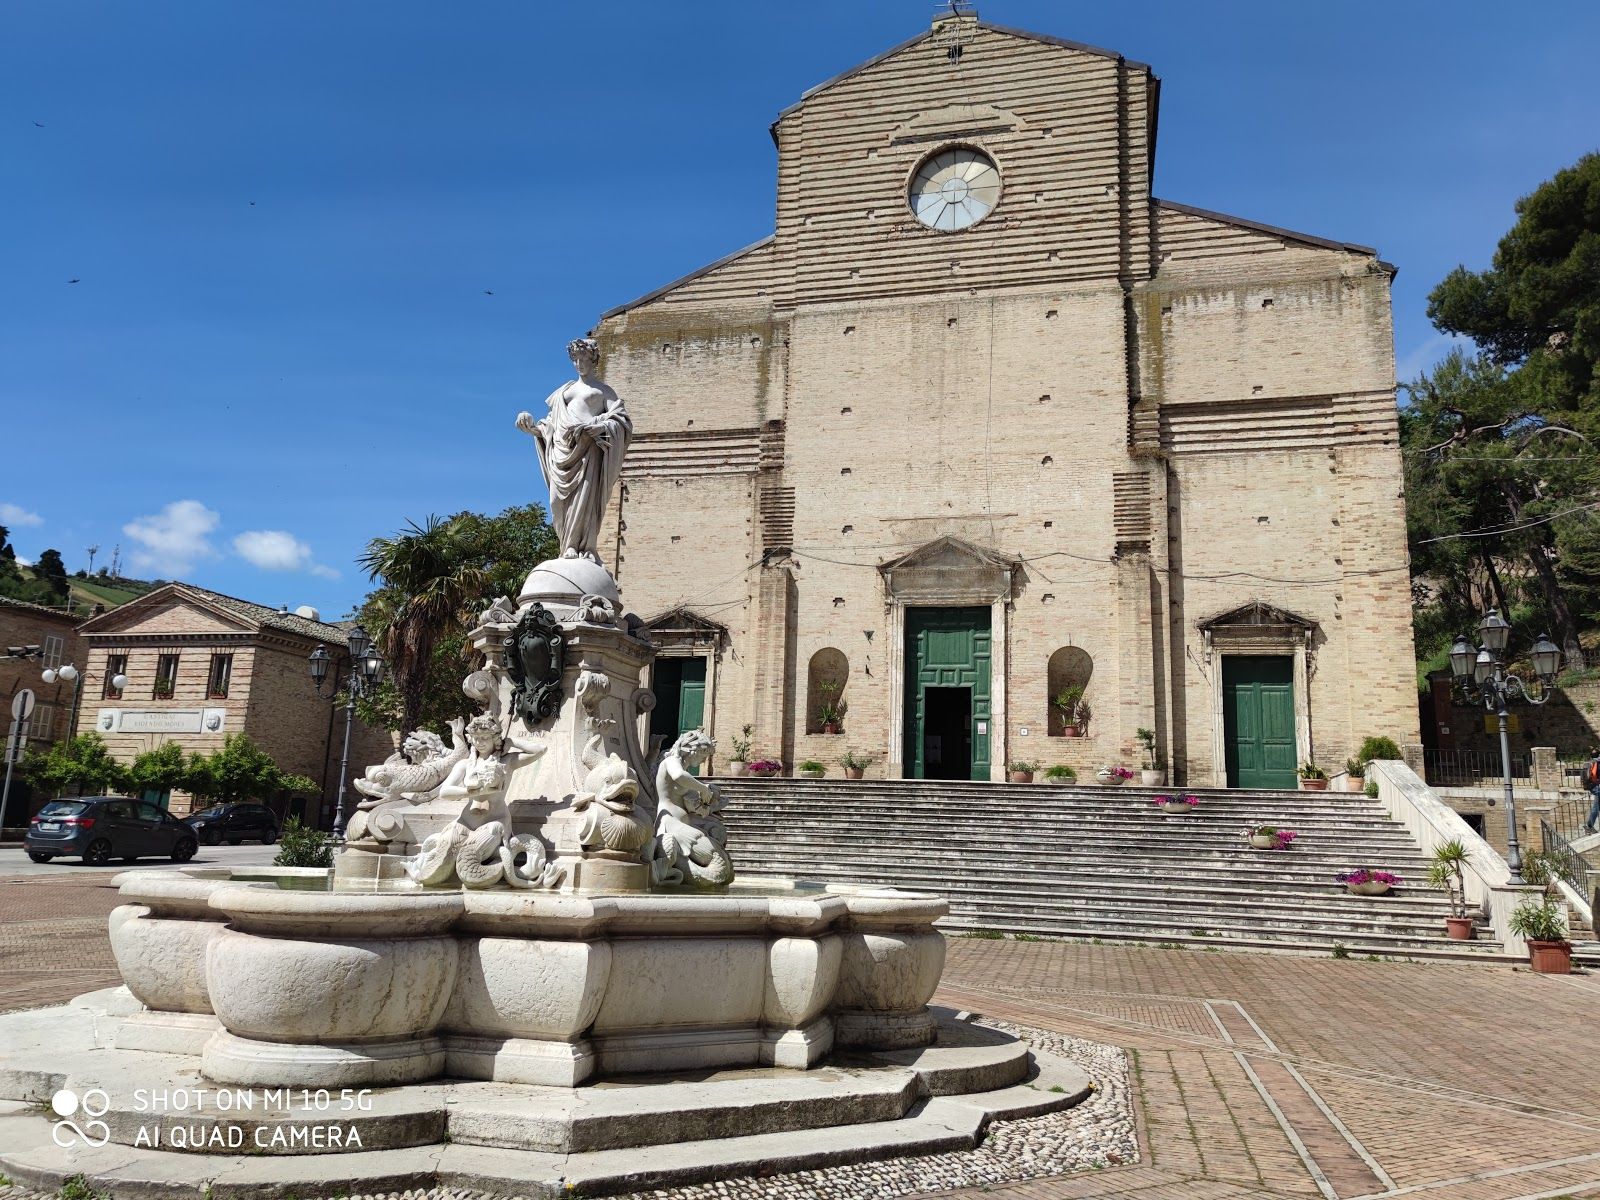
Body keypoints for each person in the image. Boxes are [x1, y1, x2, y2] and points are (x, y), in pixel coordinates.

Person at [1586, 746, 1600, 834]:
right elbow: (1594, 775)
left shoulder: (1591, 761)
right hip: (1597, 786)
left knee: (1597, 806)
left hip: (1594, 786)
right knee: (1596, 807)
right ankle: (1589, 826)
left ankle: (1589, 826)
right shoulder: (1597, 762)